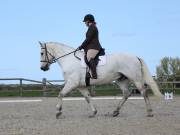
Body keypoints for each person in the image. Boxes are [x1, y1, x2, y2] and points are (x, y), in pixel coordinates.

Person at [78, 14, 102, 79]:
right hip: (90, 47)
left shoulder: (93, 27)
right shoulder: (91, 27)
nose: (85, 23)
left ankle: (94, 75)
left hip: (94, 47)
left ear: (88, 21)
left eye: (85, 21)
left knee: (89, 57)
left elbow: (88, 39)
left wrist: (81, 46)